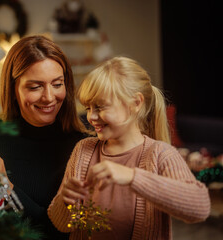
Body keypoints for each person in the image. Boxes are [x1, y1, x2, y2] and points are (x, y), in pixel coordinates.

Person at [47, 56, 210, 240]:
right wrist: (65, 201)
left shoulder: (161, 155)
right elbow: (61, 224)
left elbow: (200, 208)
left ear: (136, 103)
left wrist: (133, 177)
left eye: (100, 107)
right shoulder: (84, 150)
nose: (91, 117)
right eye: (88, 107)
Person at [0, 35, 88, 239]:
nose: (49, 97)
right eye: (35, 87)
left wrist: (6, 186)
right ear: (13, 88)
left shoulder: (86, 143)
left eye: (57, 84)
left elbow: (61, 232)